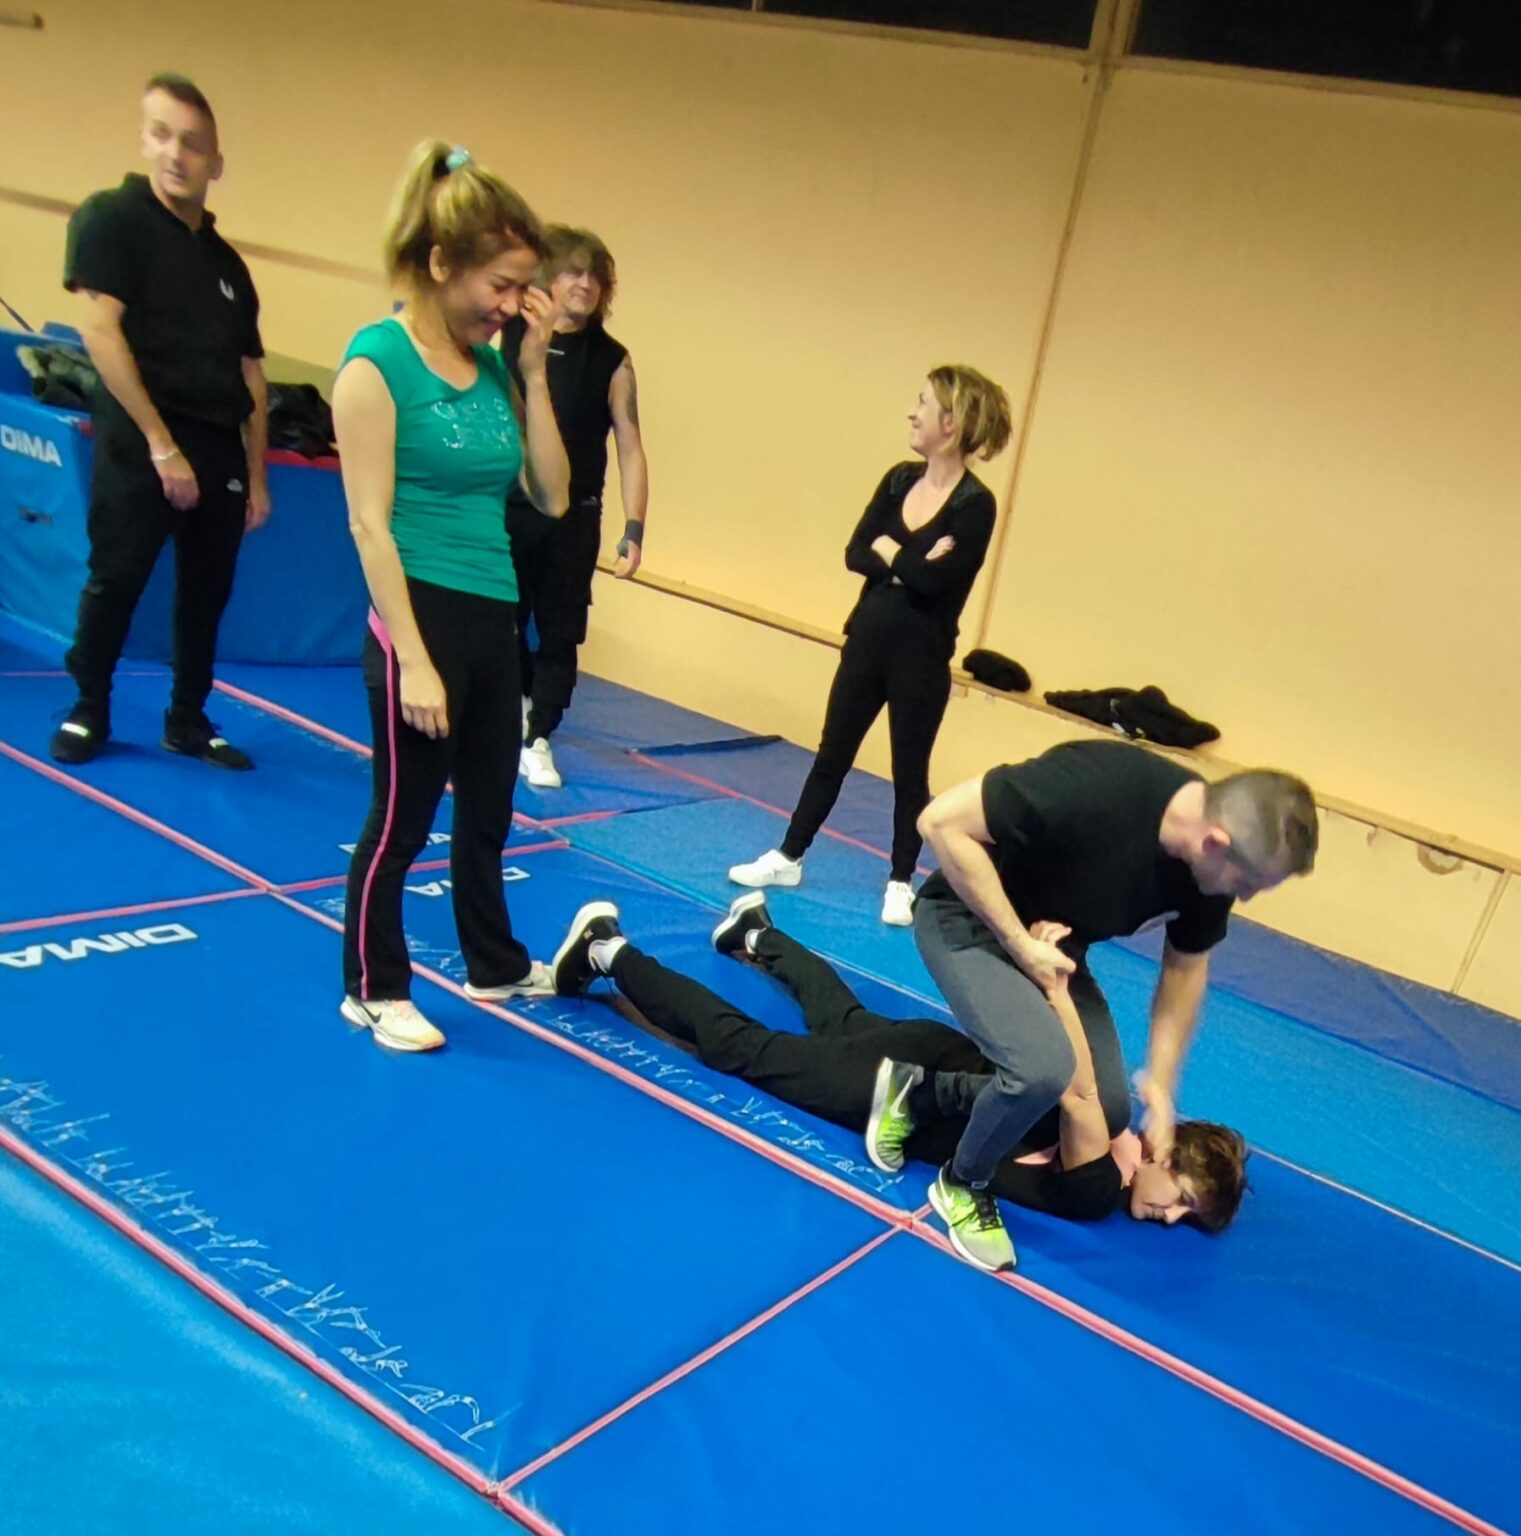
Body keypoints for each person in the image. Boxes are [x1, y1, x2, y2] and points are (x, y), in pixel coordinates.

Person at [546, 892, 1248, 1250]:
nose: (1168, 1216)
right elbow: (1075, 1085)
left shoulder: (1120, 1136)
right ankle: (609, 952)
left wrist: (1052, 993)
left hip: (928, 1050)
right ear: (1168, 1153)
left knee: (842, 1020)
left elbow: (1082, 1085)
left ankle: (754, 932)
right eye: (1180, 1195)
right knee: (743, 1049)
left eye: (1182, 1218)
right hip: (897, 1091)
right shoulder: (1098, 1182)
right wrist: (1056, 991)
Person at [334, 141, 570, 1053]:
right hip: (416, 614)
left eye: (522, 289)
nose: (511, 306)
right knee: (400, 817)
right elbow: (369, 526)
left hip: (489, 609)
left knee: (488, 809)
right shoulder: (376, 364)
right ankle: (371, 984)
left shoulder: (499, 370)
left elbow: (550, 493)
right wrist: (415, 661)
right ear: (442, 264)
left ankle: (492, 961)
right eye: (502, 286)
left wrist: (538, 366)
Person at [913, 738, 1317, 1271]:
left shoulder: (1209, 874)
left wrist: (1163, 1087)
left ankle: (921, 1090)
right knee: (1044, 1069)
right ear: (1216, 842)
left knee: (1110, 1109)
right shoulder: (1097, 787)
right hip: (969, 919)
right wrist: (1018, 943)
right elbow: (939, 822)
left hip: (1055, 953)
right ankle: (962, 1182)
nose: (1241, 898)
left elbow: (1186, 968)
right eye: (1247, 884)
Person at [728, 367, 1011, 927]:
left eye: (923, 403)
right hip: (867, 640)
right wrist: (907, 557)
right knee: (832, 753)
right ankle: (789, 855)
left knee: (910, 771)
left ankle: (901, 879)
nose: (912, 412)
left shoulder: (975, 504)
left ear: (951, 422)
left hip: (921, 656)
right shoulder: (897, 480)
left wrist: (892, 552)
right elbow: (857, 551)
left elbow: (935, 584)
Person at [49, 73, 270, 770]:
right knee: (117, 577)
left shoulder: (228, 264)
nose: (177, 154)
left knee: (206, 593)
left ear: (216, 164)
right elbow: (101, 332)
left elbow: (251, 375)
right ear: (145, 139)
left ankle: (188, 718)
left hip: (217, 444)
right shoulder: (111, 219)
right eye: (164, 135)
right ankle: (88, 707)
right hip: (145, 438)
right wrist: (160, 446)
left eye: (194, 144)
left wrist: (256, 477)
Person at [502, 226, 649, 790]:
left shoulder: (612, 360)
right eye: (573, 271)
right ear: (549, 278)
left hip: (576, 512)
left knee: (561, 630)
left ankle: (539, 735)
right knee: (502, 616)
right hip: (512, 505)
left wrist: (634, 528)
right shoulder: (513, 333)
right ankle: (515, 703)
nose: (584, 283)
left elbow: (632, 448)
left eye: (595, 275)